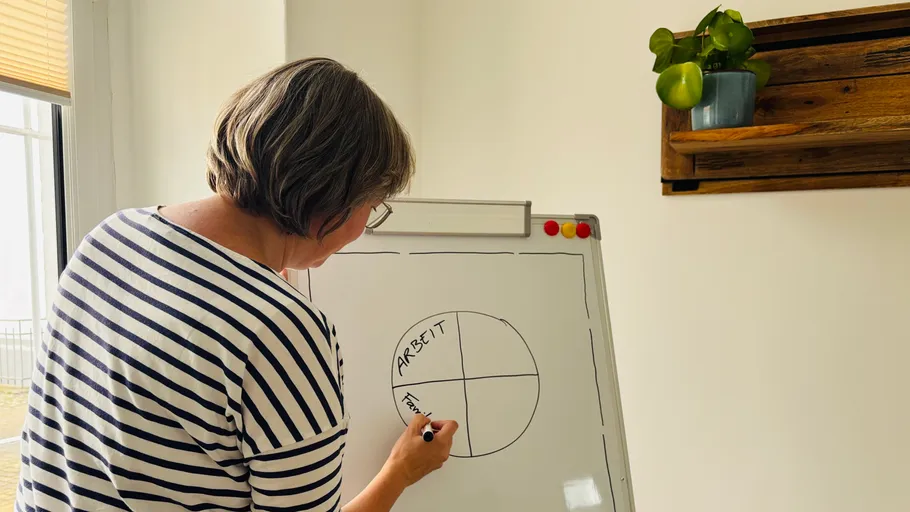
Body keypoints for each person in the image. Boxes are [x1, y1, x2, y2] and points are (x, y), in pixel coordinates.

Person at [17, 57, 459, 512]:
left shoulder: (111, 236)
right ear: (331, 198)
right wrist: (400, 472)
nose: (364, 227)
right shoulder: (283, 331)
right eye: (373, 205)